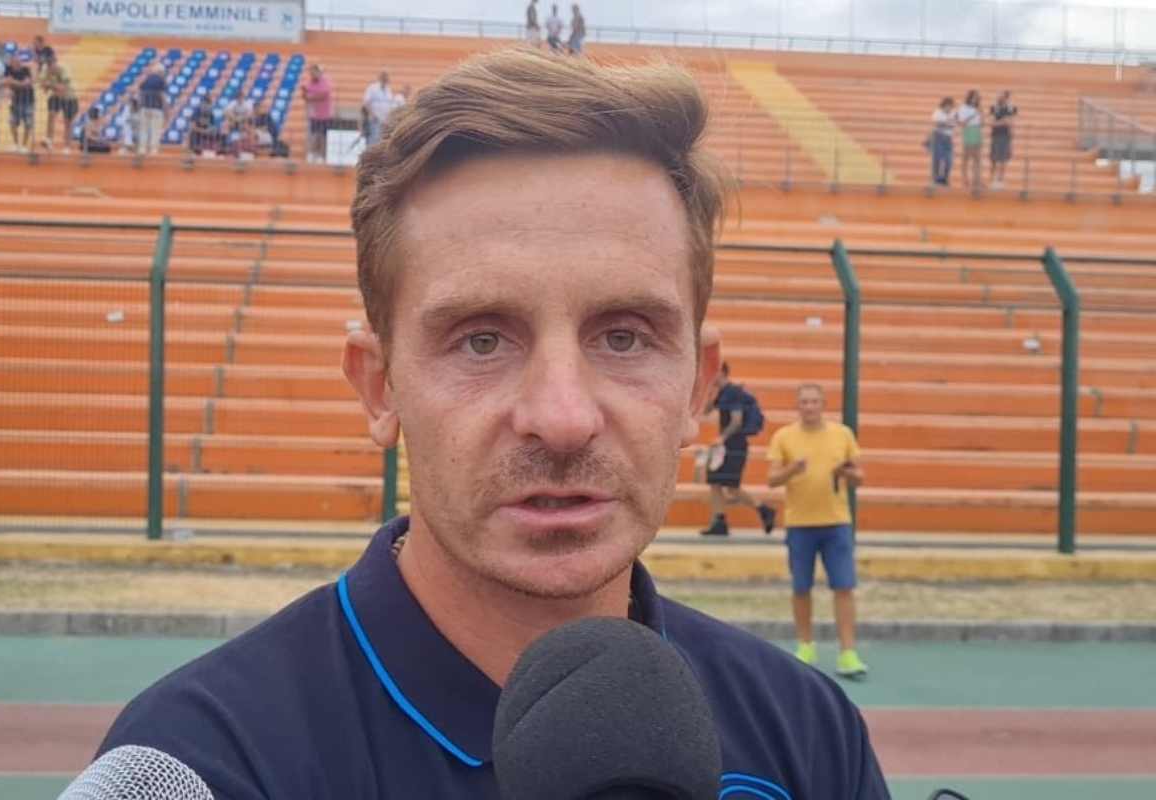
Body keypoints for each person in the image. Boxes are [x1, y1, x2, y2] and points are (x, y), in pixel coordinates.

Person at [91, 49, 890, 800]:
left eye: (623, 337)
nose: (563, 419)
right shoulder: (199, 765)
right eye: (481, 340)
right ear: (380, 387)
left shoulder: (808, 735)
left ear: (697, 389)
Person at [767, 383, 867, 679]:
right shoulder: (784, 437)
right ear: (797, 406)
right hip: (799, 524)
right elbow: (772, 480)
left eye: (814, 401)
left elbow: (859, 477)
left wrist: (847, 472)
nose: (809, 407)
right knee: (801, 587)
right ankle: (805, 646)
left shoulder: (842, 434)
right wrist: (792, 470)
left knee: (843, 587)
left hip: (836, 522)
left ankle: (848, 652)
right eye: (804, 402)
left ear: (823, 404)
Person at [699, 362, 776, 538]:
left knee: (731, 487)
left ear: (721, 372)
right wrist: (710, 393)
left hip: (734, 445)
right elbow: (706, 411)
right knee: (715, 481)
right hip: (727, 445)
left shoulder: (733, 392)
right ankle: (719, 521)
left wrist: (722, 438)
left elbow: (736, 421)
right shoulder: (722, 393)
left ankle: (763, 509)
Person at [40, 51, 77, 153]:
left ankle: (67, 146)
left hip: (70, 97)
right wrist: (51, 85)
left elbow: (63, 88)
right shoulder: (45, 69)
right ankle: (49, 140)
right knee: (51, 115)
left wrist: (50, 84)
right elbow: (43, 86)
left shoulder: (63, 69)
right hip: (55, 96)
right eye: (48, 64)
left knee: (67, 122)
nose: (49, 66)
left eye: (50, 63)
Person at [3, 52, 35, 152]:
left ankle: (24, 145)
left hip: (28, 100)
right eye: (14, 61)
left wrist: (14, 82)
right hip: (15, 101)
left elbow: (27, 83)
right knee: (12, 122)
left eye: (18, 61)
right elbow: (6, 81)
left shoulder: (26, 70)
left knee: (28, 124)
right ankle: (16, 144)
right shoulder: (8, 70)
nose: (16, 63)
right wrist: (16, 84)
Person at [302, 63, 334, 162]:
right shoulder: (309, 82)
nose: (312, 74)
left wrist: (310, 97)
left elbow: (324, 94)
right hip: (313, 115)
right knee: (314, 135)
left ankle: (322, 155)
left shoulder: (325, 81)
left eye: (314, 72)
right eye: (311, 72)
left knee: (323, 136)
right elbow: (304, 94)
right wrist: (306, 95)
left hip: (325, 115)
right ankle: (312, 153)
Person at [136, 62, 167, 156]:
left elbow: (140, 93)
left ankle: (142, 148)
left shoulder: (146, 80)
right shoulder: (161, 81)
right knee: (155, 130)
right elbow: (162, 95)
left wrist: (140, 106)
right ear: (160, 72)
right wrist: (166, 108)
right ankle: (153, 150)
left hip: (144, 107)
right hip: (156, 108)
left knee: (143, 129)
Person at [989, 90, 1018, 189]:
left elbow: (1011, 122)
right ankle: (992, 179)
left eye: (1002, 97)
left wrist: (1001, 122)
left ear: (1006, 98)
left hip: (1006, 136)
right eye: (999, 96)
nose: (1000, 98)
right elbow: (992, 123)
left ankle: (1000, 180)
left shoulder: (1012, 108)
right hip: (995, 135)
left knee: (1003, 159)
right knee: (993, 159)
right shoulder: (994, 107)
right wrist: (1004, 121)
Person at [957, 89, 983, 192]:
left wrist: (980, 113)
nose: (976, 99)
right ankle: (965, 180)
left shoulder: (978, 108)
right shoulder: (963, 107)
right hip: (968, 131)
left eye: (977, 98)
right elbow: (962, 123)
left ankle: (976, 180)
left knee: (977, 159)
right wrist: (973, 114)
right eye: (974, 97)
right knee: (966, 158)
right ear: (970, 97)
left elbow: (982, 122)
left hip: (977, 132)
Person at [361, 69, 393, 149]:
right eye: (384, 76)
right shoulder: (372, 88)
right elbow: (366, 103)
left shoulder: (388, 90)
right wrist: (372, 114)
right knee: (373, 140)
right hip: (374, 119)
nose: (385, 79)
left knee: (381, 141)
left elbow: (390, 105)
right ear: (380, 77)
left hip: (384, 121)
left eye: (386, 77)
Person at [928, 96, 955, 187]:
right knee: (937, 159)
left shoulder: (953, 113)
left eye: (951, 106)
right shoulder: (938, 112)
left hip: (948, 138)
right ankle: (935, 179)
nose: (949, 108)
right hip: (938, 137)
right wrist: (946, 123)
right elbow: (937, 123)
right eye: (948, 106)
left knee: (949, 161)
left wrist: (945, 123)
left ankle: (945, 178)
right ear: (944, 105)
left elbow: (952, 124)